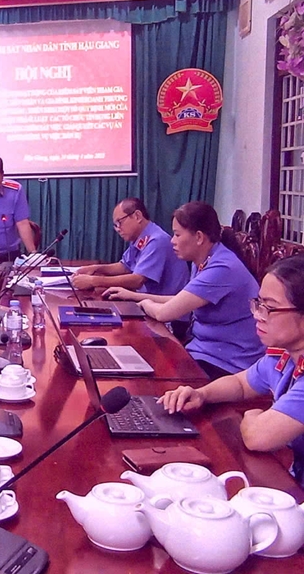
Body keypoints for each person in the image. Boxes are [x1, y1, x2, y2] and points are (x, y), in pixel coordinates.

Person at [159, 254, 304, 488]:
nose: (257, 315)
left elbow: (258, 437)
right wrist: (201, 394)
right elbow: (241, 384)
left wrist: (252, 415)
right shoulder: (284, 356)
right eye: (259, 304)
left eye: (270, 308)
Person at [106, 201, 264, 378]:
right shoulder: (203, 260)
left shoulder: (222, 268)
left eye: (177, 235)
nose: (172, 241)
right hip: (204, 349)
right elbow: (180, 300)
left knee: (151, 369)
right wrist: (133, 296)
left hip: (229, 362)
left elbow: (164, 313)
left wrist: (143, 303)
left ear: (199, 237)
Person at [72, 197, 189, 295]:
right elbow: (124, 266)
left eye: (120, 222)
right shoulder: (140, 238)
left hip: (167, 310)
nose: (118, 229)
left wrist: (93, 281)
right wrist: (96, 268)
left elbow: (137, 280)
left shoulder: (157, 240)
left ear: (137, 216)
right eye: (115, 225)